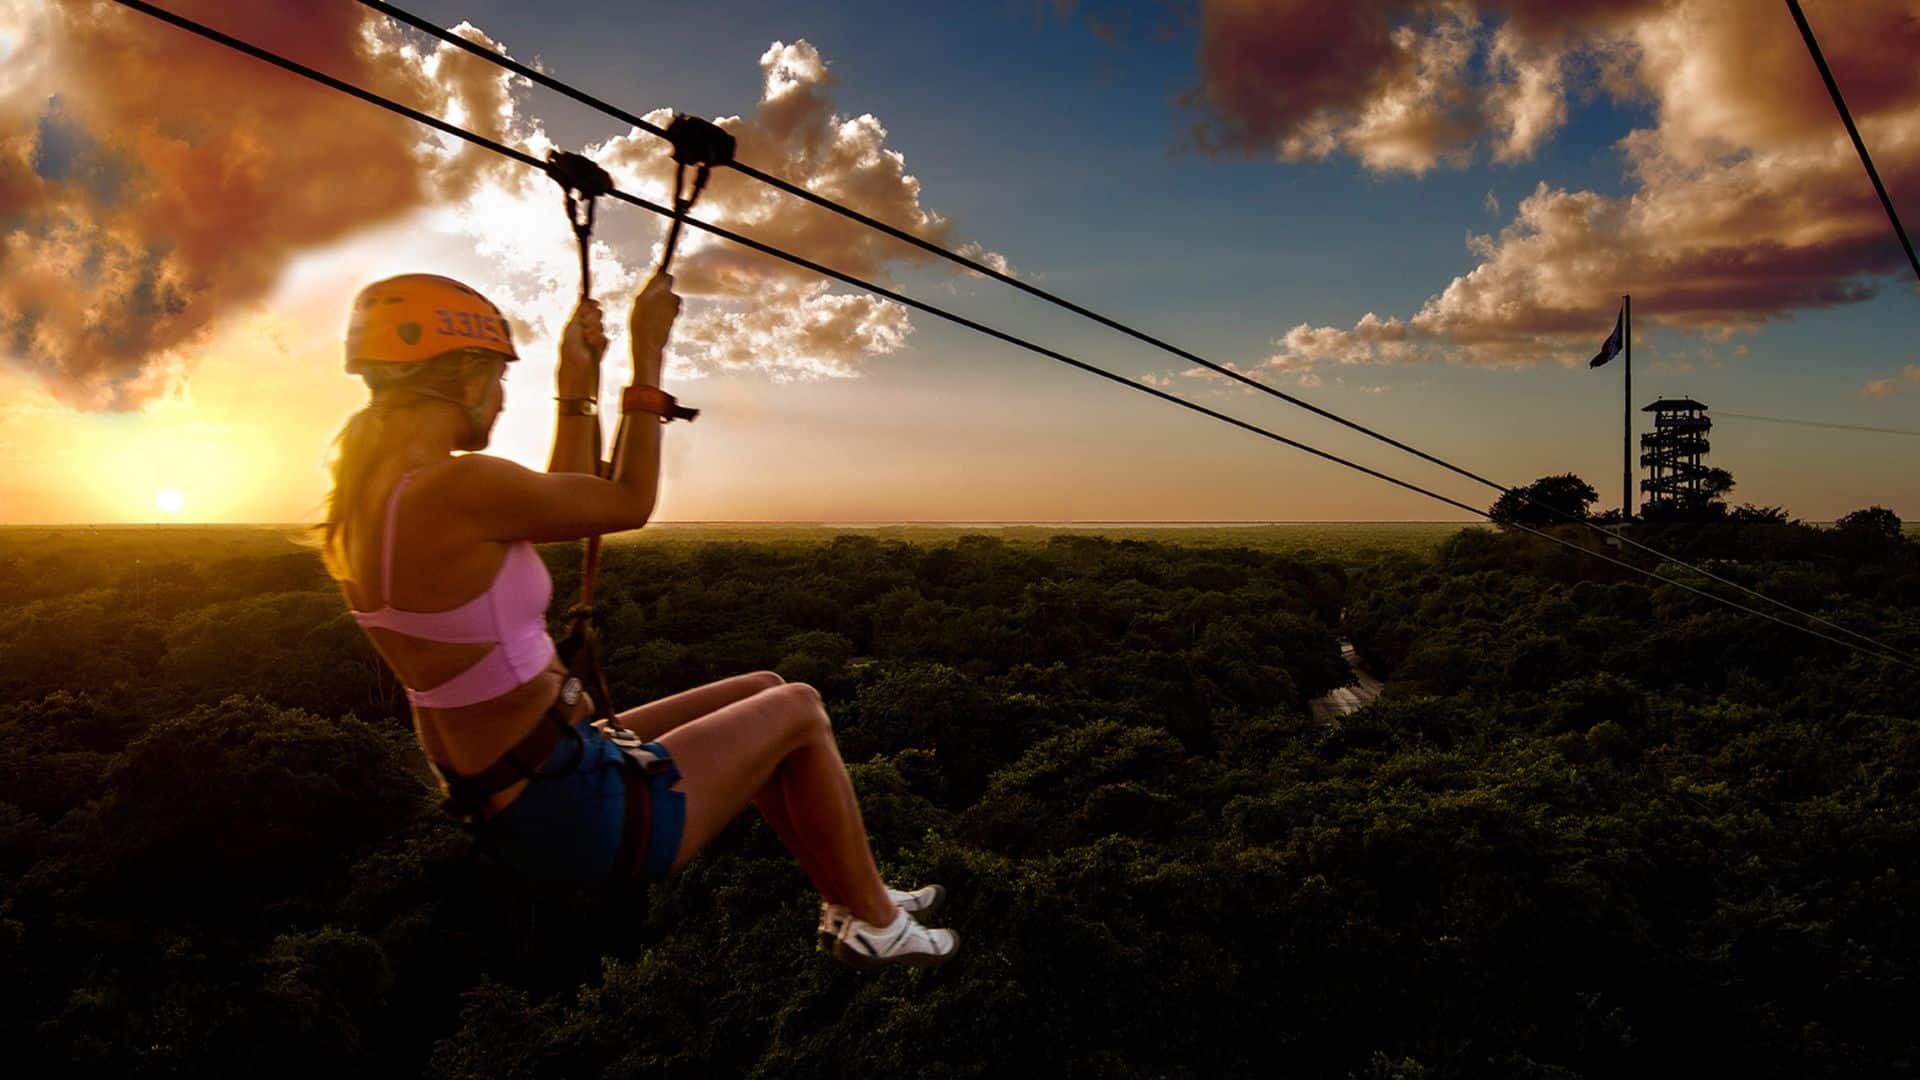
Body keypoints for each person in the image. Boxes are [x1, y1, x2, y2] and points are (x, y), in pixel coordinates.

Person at [316, 270, 956, 969]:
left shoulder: (370, 507)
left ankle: (851, 893)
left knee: (765, 686)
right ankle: (873, 921)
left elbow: (563, 501)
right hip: (571, 806)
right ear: (465, 377)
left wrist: (574, 385)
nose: (501, 398)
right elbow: (624, 502)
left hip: (523, 787)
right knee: (800, 708)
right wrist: (646, 352)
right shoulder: (457, 487)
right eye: (499, 378)